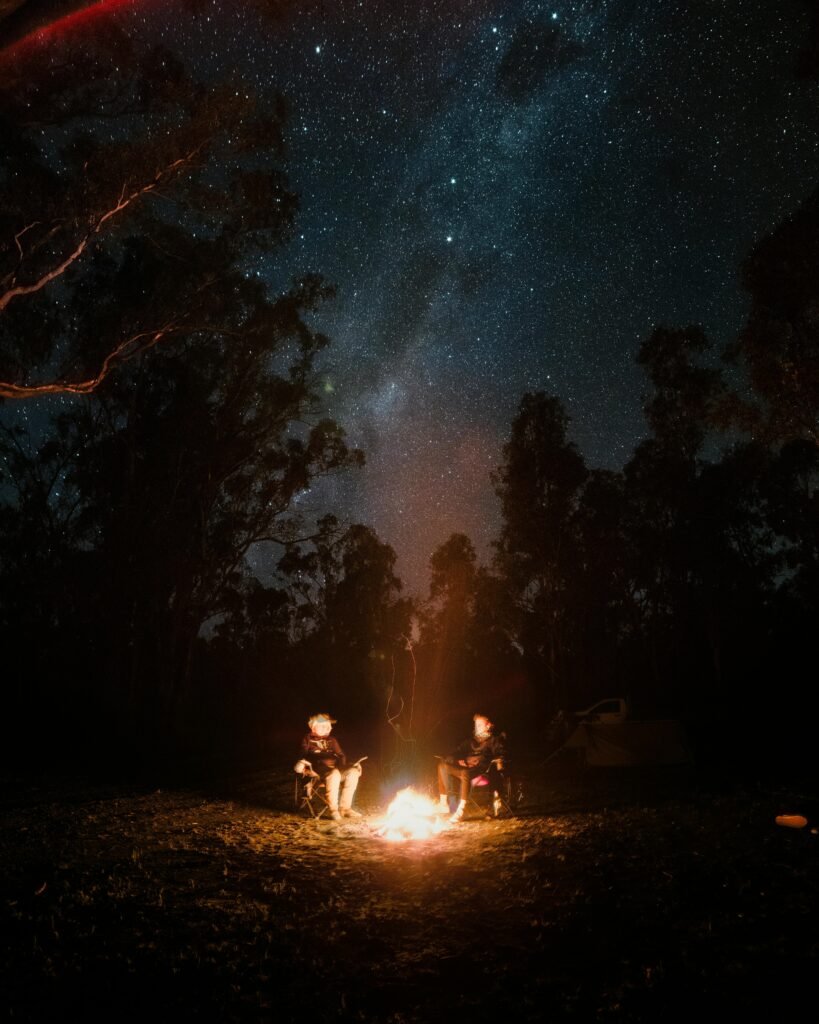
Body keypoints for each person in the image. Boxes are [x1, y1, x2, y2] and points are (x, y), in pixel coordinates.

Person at [437, 713, 506, 823]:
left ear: (488, 726)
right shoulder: (471, 742)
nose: (476, 727)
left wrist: (499, 761)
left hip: (480, 770)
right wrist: (452, 758)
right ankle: (444, 803)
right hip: (465, 767)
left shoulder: (493, 740)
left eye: (479, 725)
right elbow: (457, 751)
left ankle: (461, 810)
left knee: (465, 772)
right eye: (475, 725)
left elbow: (500, 753)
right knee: (442, 766)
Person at [294, 713, 363, 823]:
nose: (325, 728)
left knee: (353, 772)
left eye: (327, 726)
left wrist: (348, 766)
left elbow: (341, 755)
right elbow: (302, 755)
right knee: (334, 774)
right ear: (313, 726)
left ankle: (345, 808)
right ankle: (334, 810)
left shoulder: (332, 740)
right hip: (317, 772)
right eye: (321, 725)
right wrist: (302, 763)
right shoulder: (307, 739)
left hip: (336, 770)